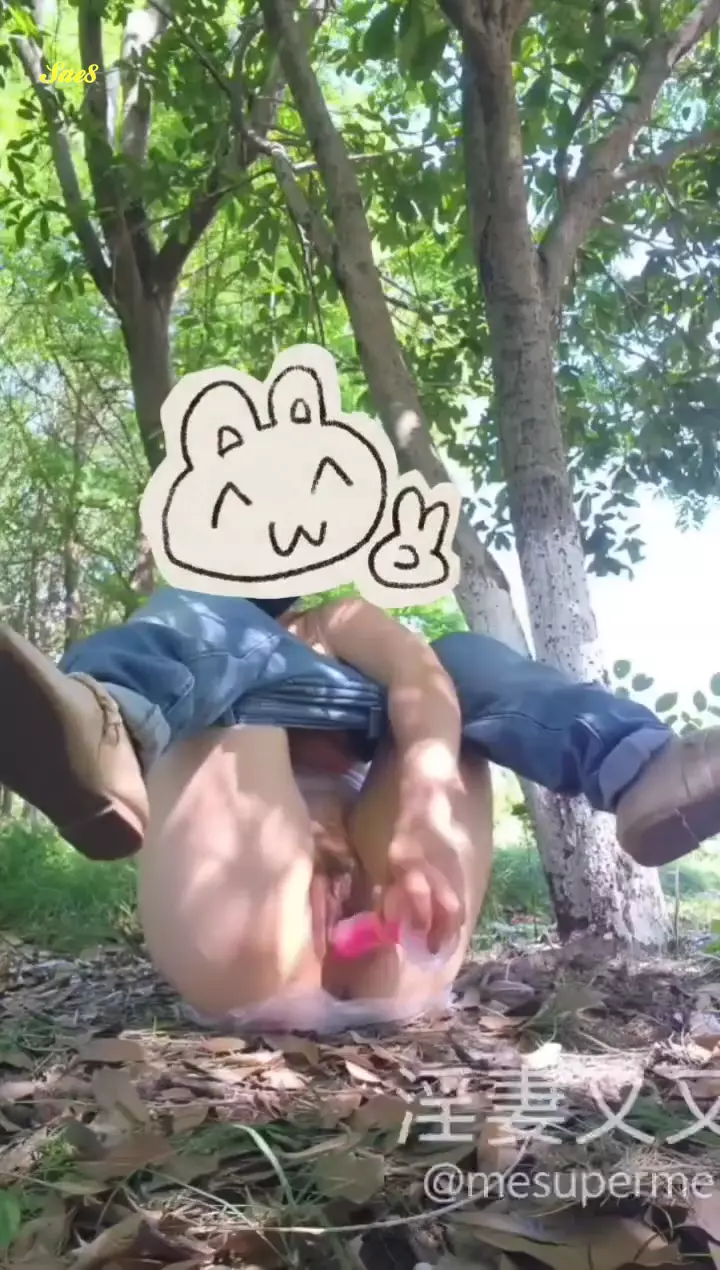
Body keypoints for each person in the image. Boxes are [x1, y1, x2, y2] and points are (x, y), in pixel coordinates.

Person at [0, 589, 718, 1034]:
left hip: (395, 917)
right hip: (264, 921)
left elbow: (417, 676)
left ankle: (639, 767)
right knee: (206, 621)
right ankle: (108, 726)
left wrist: (421, 813)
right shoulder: (206, 625)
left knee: (454, 661)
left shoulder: (335, 620)